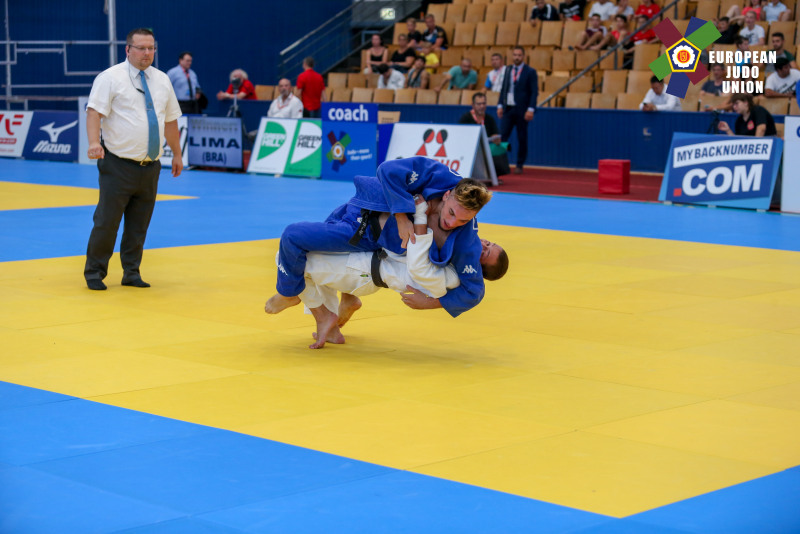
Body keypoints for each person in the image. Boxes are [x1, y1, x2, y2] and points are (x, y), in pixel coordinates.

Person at [265, 157, 493, 320]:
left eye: (463, 221)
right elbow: (388, 169)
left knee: (293, 236)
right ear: (447, 194)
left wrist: (432, 304)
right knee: (316, 242)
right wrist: (402, 216)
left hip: (362, 231)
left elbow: (474, 291)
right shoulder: (439, 175)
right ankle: (340, 303)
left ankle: (288, 292)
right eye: (452, 213)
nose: (452, 224)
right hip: (364, 202)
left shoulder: (466, 241)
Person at [278, 196, 507, 348]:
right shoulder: (456, 251)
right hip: (368, 266)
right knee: (331, 228)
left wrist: (418, 216)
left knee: (291, 258)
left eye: (486, 252)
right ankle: (337, 316)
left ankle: (316, 311)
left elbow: (418, 263)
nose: (484, 244)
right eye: (490, 243)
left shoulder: (454, 274)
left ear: (477, 268)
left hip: (363, 270)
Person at [84, 28, 182, 291]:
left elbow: (170, 120)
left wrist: (178, 154)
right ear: (128, 49)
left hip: (150, 165)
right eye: (141, 48)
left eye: (151, 48)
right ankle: (94, 272)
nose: (147, 53)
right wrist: (94, 142)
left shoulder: (162, 80)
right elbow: (94, 112)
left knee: (139, 224)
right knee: (107, 221)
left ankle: (131, 271)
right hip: (117, 164)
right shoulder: (110, 78)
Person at [498, 46, 538, 174]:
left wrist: (531, 109)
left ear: (523, 56)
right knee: (503, 136)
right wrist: (500, 105)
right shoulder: (508, 69)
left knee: (522, 137)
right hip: (508, 108)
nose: (516, 57)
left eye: (519, 55)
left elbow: (534, 92)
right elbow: (504, 88)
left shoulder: (530, 71)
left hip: (522, 109)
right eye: (515, 55)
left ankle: (519, 164)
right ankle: (502, 162)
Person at [459, 93, 508, 176]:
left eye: (484, 103)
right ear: (473, 105)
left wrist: (496, 139)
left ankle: (493, 175)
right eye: (479, 104)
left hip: (485, 148)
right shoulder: (465, 118)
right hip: (469, 148)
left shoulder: (489, 119)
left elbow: (495, 134)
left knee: (500, 147)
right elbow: (460, 135)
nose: (482, 106)